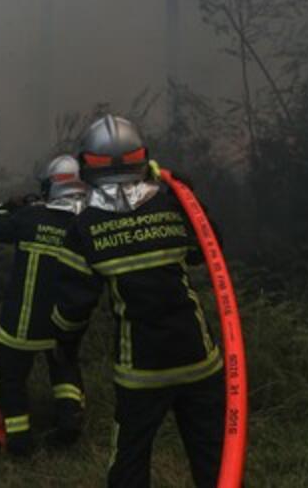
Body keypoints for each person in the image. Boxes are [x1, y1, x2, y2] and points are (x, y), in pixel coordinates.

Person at [52, 115, 224, 487]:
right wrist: (191, 201)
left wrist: (63, 346)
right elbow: (208, 253)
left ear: (86, 166)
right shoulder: (172, 207)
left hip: (142, 371)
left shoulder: (84, 229)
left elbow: (71, 309)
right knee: (215, 461)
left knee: (129, 465)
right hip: (200, 359)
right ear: (143, 158)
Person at [0, 154, 91, 456]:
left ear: (51, 187)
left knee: (12, 379)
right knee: (65, 368)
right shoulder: (83, 226)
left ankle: (16, 440)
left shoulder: (29, 217)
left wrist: (9, 206)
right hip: (63, 323)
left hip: (21, 322)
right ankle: (69, 420)